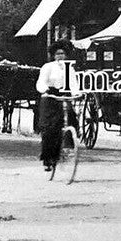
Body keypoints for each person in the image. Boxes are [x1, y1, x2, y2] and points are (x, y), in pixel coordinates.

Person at [36, 43, 74, 171]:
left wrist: (77, 92)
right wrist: (44, 89)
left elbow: (73, 83)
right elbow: (41, 81)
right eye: (57, 54)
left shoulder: (69, 68)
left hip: (64, 96)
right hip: (50, 98)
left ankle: (69, 147)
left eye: (62, 54)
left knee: (71, 117)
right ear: (53, 55)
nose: (60, 56)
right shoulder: (48, 67)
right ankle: (47, 158)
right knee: (49, 127)